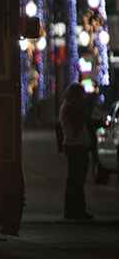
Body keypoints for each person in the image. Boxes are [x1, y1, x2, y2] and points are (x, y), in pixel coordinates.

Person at [58, 83, 93, 220]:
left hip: (74, 145)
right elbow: (77, 128)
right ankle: (76, 210)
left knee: (74, 179)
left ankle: (74, 210)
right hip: (76, 146)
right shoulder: (72, 108)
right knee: (76, 180)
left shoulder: (67, 107)